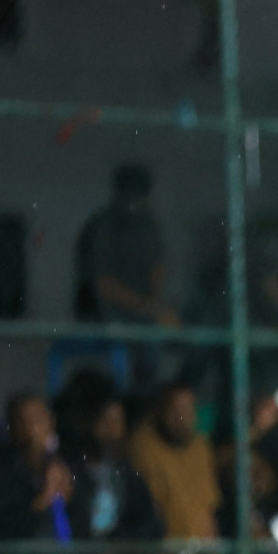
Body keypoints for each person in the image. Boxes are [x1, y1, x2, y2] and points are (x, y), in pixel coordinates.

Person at [75, 164, 182, 394]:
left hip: (141, 310)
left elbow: (157, 267)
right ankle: (135, 407)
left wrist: (156, 306)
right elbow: (103, 285)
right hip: (102, 311)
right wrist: (148, 307)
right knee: (144, 341)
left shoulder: (148, 223)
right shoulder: (103, 225)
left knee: (184, 334)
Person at [0, 393, 80, 554]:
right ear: (11, 428)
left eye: (38, 419)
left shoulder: (67, 468)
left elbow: (85, 531)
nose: (33, 428)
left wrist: (70, 499)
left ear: (51, 421)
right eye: (24, 421)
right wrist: (42, 502)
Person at [129, 381, 228, 554]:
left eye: (189, 409)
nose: (183, 417)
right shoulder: (143, 447)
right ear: (160, 411)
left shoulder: (200, 447)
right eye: (176, 409)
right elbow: (147, 515)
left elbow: (207, 509)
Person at [65, 392, 164, 554]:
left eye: (117, 421)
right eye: (105, 421)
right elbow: (65, 531)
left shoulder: (127, 475)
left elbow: (153, 527)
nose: (112, 430)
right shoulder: (69, 472)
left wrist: (117, 548)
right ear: (89, 424)